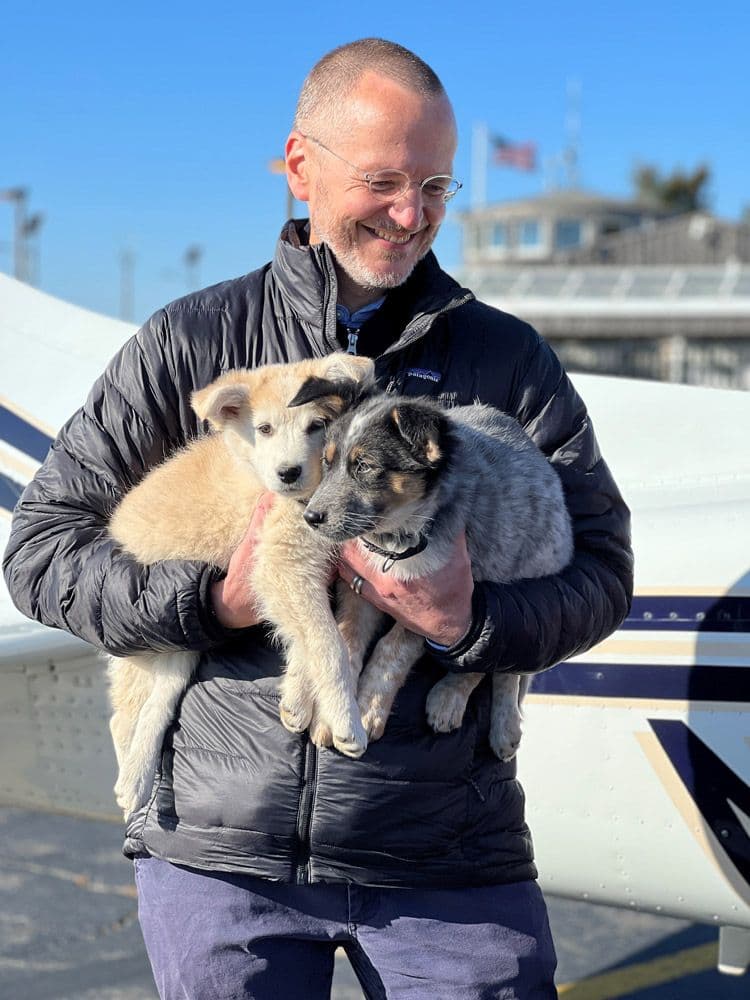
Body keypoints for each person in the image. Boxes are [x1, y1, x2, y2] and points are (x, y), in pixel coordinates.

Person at [3, 38, 632, 1000]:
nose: (412, 215)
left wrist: (478, 627)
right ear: (300, 166)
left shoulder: (510, 362)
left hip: (449, 863)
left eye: (436, 186)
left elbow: (602, 573)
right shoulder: (190, 342)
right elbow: (42, 553)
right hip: (219, 868)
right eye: (382, 180)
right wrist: (213, 601)